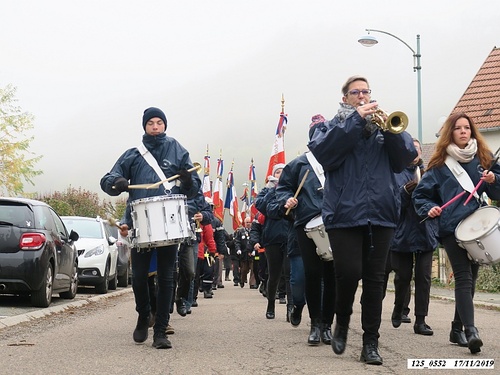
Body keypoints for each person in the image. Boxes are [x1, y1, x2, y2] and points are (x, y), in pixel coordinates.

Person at [308, 76, 416, 365]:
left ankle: (370, 342)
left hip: (381, 212)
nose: (362, 96)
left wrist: (392, 132)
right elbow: (325, 153)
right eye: (355, 92)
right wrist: (355, 120)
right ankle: (341, 322)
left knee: (375, 279)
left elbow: (404, 158)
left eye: (366, 91)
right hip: (344, 212)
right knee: (348, 273)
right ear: (345, 98)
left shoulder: (383, 128)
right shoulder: (328, 127)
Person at [100, 107, 201, 349]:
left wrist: (188, 180)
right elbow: (107, 179)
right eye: (150, 124)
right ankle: (144, 314)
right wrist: (118, 183)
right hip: (139, 223)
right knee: (139, 278)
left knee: (167, 277)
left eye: (159, 123)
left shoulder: (177, 149)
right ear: (144, 127)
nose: (155, 127)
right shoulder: (133, 155)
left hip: (169, 222)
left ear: (165, 125)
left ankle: (160, 332)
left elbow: (194, 185)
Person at [413, 112, 500, 354]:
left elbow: (498, 191)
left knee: (470, 279)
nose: (463, 131)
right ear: (450, 132)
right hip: (452, 229)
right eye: (458, 128)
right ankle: (471, 331)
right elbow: (420, 195)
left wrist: (494, 179)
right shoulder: (440, 165)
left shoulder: (484, 158)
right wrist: (430, 208)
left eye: (467, 128)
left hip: (478, 228)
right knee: (463, 277)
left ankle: (456, 328)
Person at [276, 114, 336, 346]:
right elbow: (283, 189)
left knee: (331, 277)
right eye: (317, 134)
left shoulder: (337, 161)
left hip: (335, 223)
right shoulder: (298, 164)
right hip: (306, 225)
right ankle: (314, 324)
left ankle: (327, 325)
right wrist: (287, 200)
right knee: (313, 275)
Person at [387, 138, 438, 335]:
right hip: (402, 234)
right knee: (403, 277)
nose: (415, 152)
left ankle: (421, 320)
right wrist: (404, 193)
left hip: (425, 233)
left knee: (423, 277)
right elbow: (391, 205)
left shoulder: (429, 174)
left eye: (418, 149)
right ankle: (399, 307)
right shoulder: (395, 172)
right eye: (412, 148)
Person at [255, 164, 292, 320]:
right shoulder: (266, 191)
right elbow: (262, 207)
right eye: (277, 171)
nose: (280, 174)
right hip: (272, 238)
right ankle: (271, 305)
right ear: (272, 174)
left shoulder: (291, 188)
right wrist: (272, 189)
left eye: (283, 171)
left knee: (290, 274)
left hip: (290, 236)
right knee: (274, 274)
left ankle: (291, 307)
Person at [234, 217, 254, 288]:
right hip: (244, 253)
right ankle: (242, 280)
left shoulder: (254, 231)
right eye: (247, 222)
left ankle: (252, 283)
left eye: (249, 222)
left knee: (253, 268)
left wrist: (254, 250)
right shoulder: (240, 231)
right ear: (244, 223)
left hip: (252, 253)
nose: (248, 224)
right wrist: (238, 249)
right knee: (244, 269)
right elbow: (237, 241)